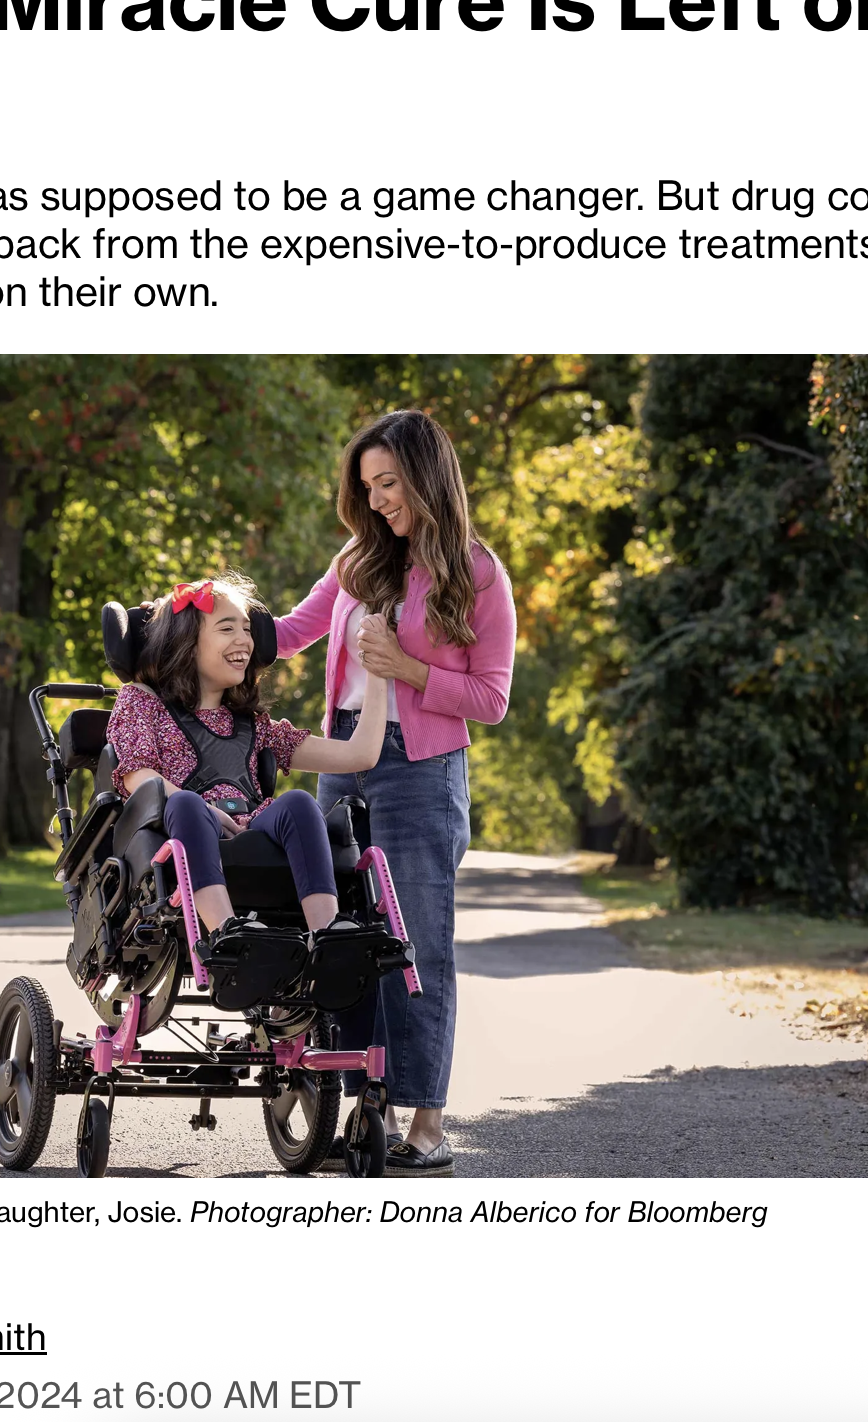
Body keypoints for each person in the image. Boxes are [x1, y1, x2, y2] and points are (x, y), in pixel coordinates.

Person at [274, 409, 517, 1176]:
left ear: (425, 476)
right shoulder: (357, 561)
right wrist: (196, 617)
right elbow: (287, 632)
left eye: (389, 483)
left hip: (421, 766)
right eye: (368, 486)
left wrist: (408, 669)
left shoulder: (476, 573)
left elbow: (492, 698)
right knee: (335, 932)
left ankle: (426, 1120)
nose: (378, 500)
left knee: (415, 944)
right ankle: (352, 1095)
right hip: (343, 754)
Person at [104, 573, 389, 976]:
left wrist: (379, 670)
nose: (246, 640)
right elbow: (138, 776)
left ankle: (327, 933)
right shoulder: (141, 702)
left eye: (247, 628)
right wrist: (210, 812)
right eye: (227, 628)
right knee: (185, 801)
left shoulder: (254, 724)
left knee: (299, 803)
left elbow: (361, 754)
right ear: (185, 642)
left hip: (251, 826)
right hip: (177, 833)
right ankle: (224, 932)